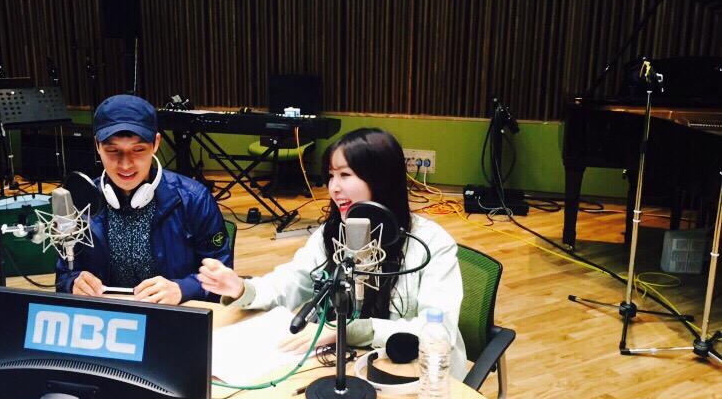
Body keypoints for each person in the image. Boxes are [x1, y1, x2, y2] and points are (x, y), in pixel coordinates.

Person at [198, 128, 468, 379]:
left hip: (419, 377)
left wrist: (346, 330)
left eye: (345, 175)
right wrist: (242, 289)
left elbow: (438, 332)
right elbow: (292, 281)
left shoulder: (432, 243)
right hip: (347, 364)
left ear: (381, 179)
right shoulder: (331, 233)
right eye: (331, 176)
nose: (333, 187)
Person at [56, 94, 232, 304]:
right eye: (112, 150)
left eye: (138, 150)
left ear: (156, 143)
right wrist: (73, 283)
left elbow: (223, 278)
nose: (125, 165)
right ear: (97, 145)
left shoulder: (194, 199)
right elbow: (65, 275)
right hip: (107, 317)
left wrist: (182, 289)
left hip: (173, 314)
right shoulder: (81, 199)